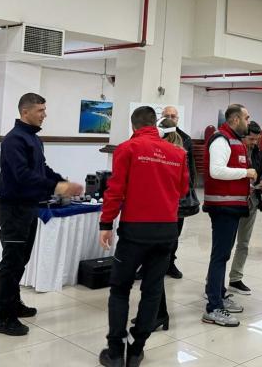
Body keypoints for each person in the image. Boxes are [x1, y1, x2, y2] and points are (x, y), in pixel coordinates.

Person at [98, 106, 188, 367]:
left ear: (134, 126)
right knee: (152, 290)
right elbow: (183, 189)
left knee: (120, 289)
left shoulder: (127, 148)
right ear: (154, 124)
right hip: (166, 231)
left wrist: (106, 223)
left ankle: (115, 352)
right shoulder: (177, 153)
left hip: (135, 231)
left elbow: (115, 190)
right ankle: (136, 350)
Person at [0, 93, 83, 337]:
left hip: (29, 208)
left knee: (21, 260)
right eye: (40, 110)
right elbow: (22, 175)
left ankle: (14, 303)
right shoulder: (14, 140)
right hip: (14, 209)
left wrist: (63, 182)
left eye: (44, 109)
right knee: (11, 263)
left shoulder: (33, 138)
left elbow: (42, 169)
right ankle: (3, 316)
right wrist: (56, 187)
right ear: (25, 112)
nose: (45, 115)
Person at [201, 104, 257, 327]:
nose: (248, 121)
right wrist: (246, 173)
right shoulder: (221, 139)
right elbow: (216, 170)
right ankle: (213, 307)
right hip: (223, 207)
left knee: (222, 254)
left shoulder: (233, 139)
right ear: (235, 119)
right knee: (220, 255)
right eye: (246, 117)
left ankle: (218, 293)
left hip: (231, 206)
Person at [228, 121, 262, 295]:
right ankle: (213, 281)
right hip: (234, 202)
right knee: (225, 244)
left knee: (243, 243)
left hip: (252, 202)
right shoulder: (232, 150)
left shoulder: (257, 151)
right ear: (243, 136)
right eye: (251, 139)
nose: (254, 142)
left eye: (256, 139)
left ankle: (236, 278)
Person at [161, 105, 195, 280]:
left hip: (178, 196)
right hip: (159, 194)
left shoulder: (186, 139)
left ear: (178, 119)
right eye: (167, 115)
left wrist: (189, 191)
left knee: (175, 233)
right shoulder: (155, 137)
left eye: (173, 116)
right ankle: (149, 265)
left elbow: (191, 168)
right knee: (156, 232)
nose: (170, 118)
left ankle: (170, 263)